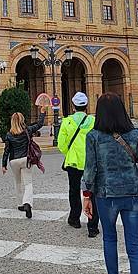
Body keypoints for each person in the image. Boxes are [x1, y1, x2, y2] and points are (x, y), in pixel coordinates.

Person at [83, 93, 138, 274]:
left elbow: (90, 169)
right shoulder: (136, 134)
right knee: (134, 246)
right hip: (133, 194)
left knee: (109, 238)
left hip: (106, 195)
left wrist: (86, 196)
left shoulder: (93, 137)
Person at [57, 92, 100, 237]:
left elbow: (61, 144)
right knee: (92, 192)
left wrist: (70, 153)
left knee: (74, 190)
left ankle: (74, 218)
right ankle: (93, 225)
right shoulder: (93, 121)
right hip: (91, 162)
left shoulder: (67, 121)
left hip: (74, 162)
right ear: (86, 106)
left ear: (73, 106)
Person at [1, 107, 46, 219]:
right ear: (22, 120)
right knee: (28, 183)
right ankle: (27, 203)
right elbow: (40, 124)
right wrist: (42, 113)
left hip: (13, 160)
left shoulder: (9, 135)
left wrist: (3, 165)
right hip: (26, 159)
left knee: (18, 182)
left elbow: (6, 150)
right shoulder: (27, 130)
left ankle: (20, 204)